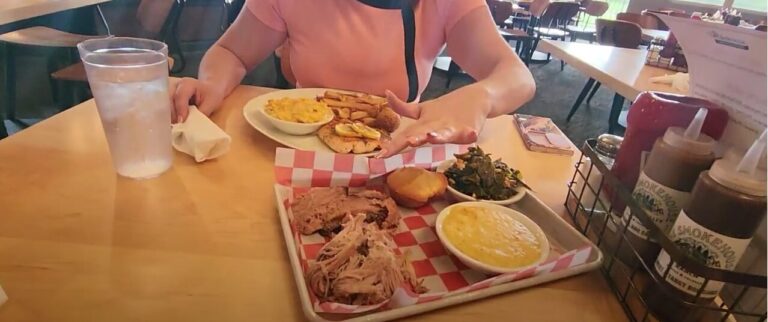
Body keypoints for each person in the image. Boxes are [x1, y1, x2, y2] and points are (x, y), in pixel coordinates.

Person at [172, 0, 536, 157]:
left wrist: (483, 96)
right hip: (290, 151)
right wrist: (211, 85)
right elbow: (232, 53)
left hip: (395, 155)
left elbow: (516, 76)